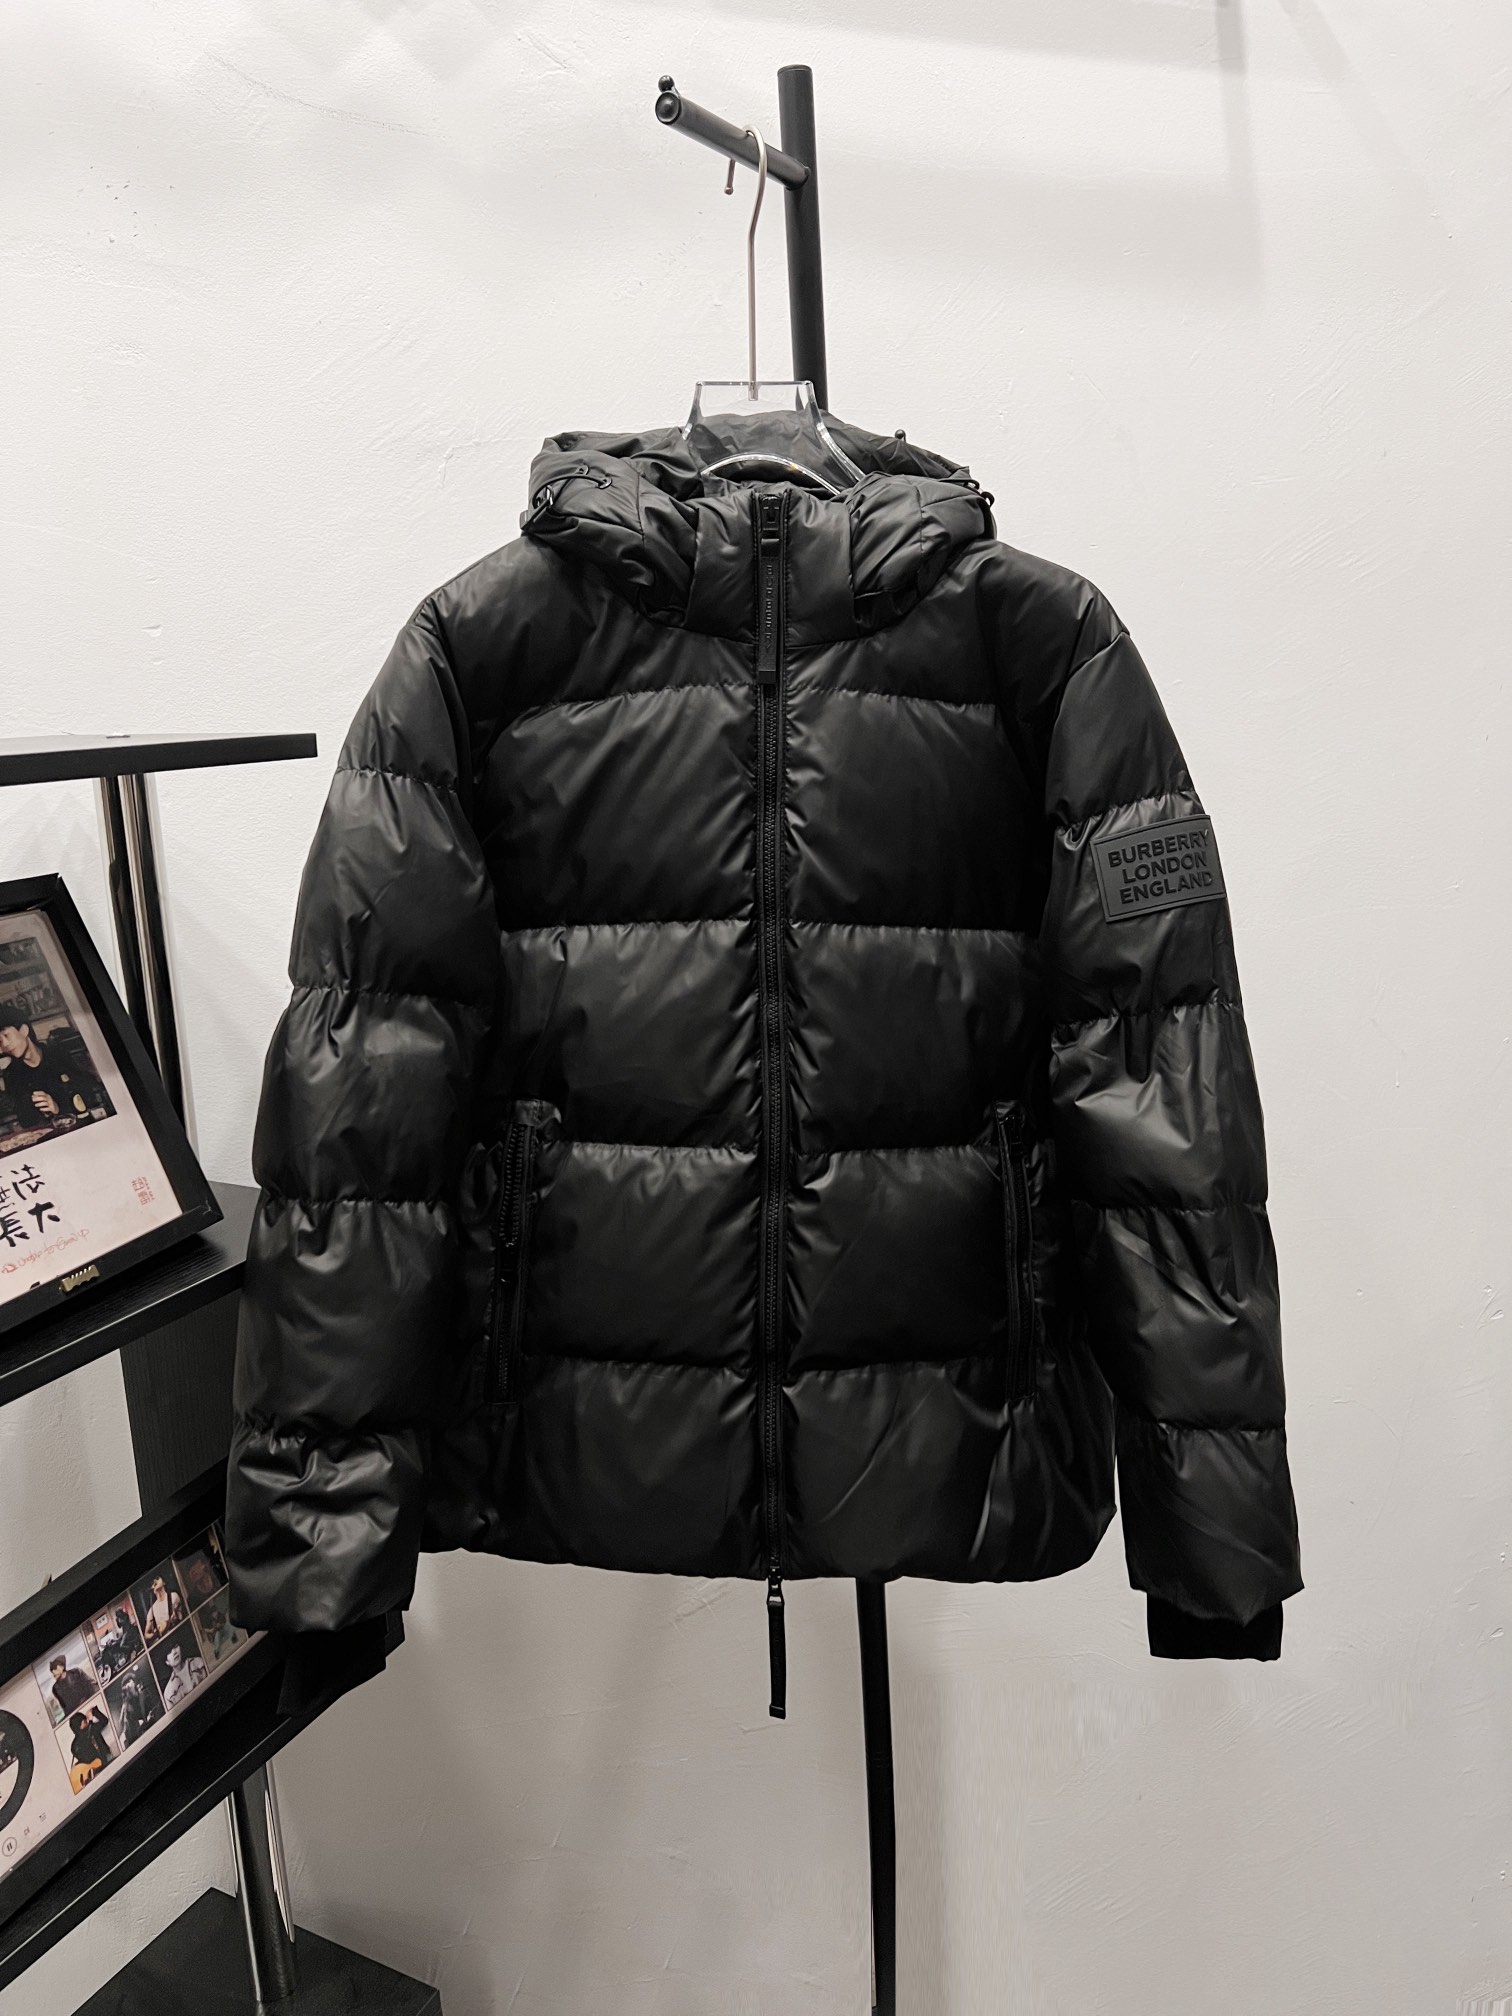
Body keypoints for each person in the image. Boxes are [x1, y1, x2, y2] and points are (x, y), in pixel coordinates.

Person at [0, 1009, 106, 1137]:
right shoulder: (12, 1074)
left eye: (6, 1035)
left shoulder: (59, 1055)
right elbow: (26, 1121)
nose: (4, 1046)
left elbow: (89, 1094)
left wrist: (58, 1109)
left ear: (24, 1030)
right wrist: (45, 1112)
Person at [158, 1640, 206, 1709]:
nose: (174, 1652)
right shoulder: (168, 1693)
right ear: (167, 1662)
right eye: (169, 1652)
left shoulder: (198, 1663)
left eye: (175, 1646)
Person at [68, 1706, 113, 1778]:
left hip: (90, 1773)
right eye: (85, 1720)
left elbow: (82, 1760)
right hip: (105, 1761)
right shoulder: (91, 1728)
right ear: (82, 1722)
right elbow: (104, 1721)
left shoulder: (73, 1746)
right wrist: (94, 1712)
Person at [140, 1574, 184, 1643]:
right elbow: (145, 1636)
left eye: (157, 1578)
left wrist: (174, 1619)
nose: (155, 1581)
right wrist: (157, 1633)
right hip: (165, 1644)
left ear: (164, 1582)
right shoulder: (152, 1610)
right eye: (152, 1582)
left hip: (178, 1638)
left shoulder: (173, 1596)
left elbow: (181, 1617)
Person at [48, 1654, 94, 1718]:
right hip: (75, 1714)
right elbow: (64, 1707)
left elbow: (90, 1685)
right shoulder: (55, 1688)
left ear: (62, 1667)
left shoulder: (76, 1672)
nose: (53, 1671)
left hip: (88, 1703)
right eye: (52, 1669)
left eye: (55, 1668)